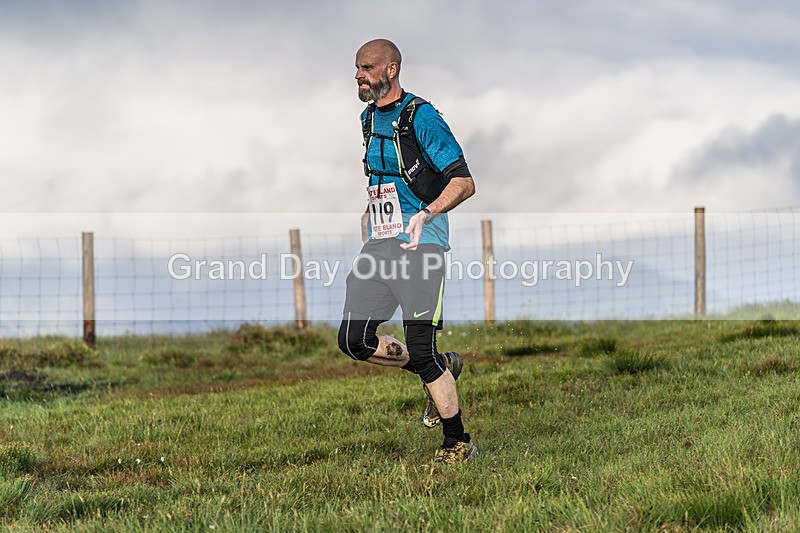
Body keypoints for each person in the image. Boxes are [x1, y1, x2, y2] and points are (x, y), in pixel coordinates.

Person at [337, 39, 477, 464]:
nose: (358, 75)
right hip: (380, 244)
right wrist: (369, 210)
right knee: (353, 339)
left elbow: (463, 182)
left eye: (366, 68)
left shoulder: (423, 117)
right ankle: (439, 365)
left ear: (391, 69)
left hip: (421, 246)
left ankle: (458, 443)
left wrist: (427, 214)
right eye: (357, 68)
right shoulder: (367, 118)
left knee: (420, 345)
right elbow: (386, 174)